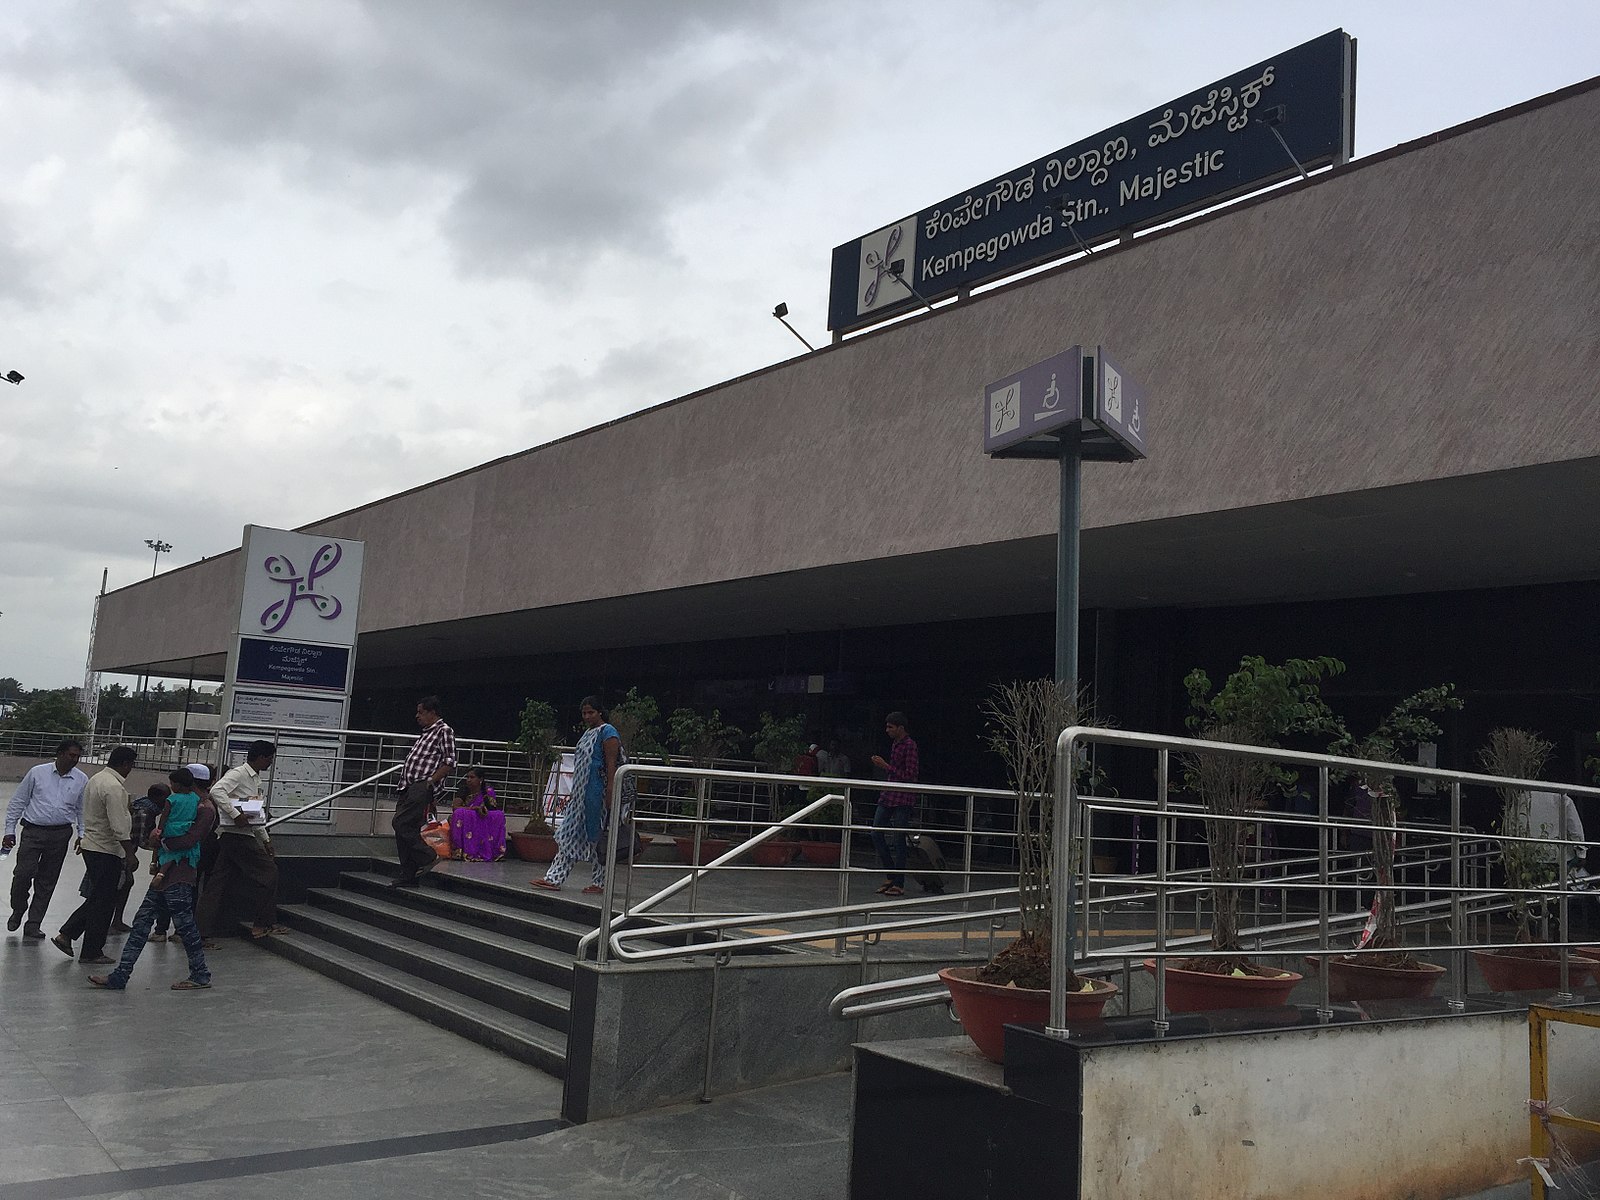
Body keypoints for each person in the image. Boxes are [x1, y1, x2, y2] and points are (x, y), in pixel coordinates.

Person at [90, 775, 216, 992]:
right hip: (169, 873)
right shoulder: (196, 806)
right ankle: (121, 975)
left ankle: (200, 973)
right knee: (144, 922)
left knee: (183, 925)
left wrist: (162, 841)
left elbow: (188, 840)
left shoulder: (204, 809)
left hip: (178, 873)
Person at [50, 747, 139, 964]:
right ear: (126, 764)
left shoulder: (98, 779)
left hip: (93, 846)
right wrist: (130, 853)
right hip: (106, 849)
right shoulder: (113, 787)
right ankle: (91, 951)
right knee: (103, 902)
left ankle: (67, 934)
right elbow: (118, 825)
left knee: (100, 897)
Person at [533, 697, 621, 895]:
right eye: (584, 713)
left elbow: (611, 764)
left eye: (591, 712)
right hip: (580, 794)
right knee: (569, 834)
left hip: (596, 793)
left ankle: (601, 882)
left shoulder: (608, 732)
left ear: (600, 712)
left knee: (598, 836)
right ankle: (554, 878)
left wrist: (610, 792)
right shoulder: (589, 732)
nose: (587, 716)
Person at [199, 744, 288, 939]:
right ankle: (262, 923)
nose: (271, 762)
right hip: (237, 836)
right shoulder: (239, 774)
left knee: (217, 884)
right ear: (260, 757)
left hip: (236, 835)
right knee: (269, 873)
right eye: (269, 758)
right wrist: (235, 814)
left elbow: (254, 814)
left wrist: (265, 839)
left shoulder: (254, 779)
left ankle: (200, 931)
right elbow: (217, 791)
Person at [5, 739, 89, 938]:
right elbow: (18, 801)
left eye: (77, 756)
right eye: (71, 755)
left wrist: (82, 834)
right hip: (33, 831)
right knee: (23, 874)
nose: (75, 759)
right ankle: (18, 908)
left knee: (47, 880)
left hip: (60, 834)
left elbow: (81, 809)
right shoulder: (37, 773)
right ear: (60, 754)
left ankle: (33, 923)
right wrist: (9, 830)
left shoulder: (81, 779)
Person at [392, 696, 457, 888]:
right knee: (405, 829)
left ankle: (428, 856)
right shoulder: (426, 733)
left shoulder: (444, 731)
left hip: (421, 786)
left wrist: (430, 782)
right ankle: (408, 874)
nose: (417, 716)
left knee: (401, 823)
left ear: (432, 712)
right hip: (408, 785)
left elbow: (450, 761)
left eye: (421, 712)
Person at [869, 711, 920, 896]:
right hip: (889, 795)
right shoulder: (895, 744)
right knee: (876, 832)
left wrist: (886, 767)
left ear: (900, 728)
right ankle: (892, 874)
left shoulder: (910, 746)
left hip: (903, 798)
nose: (887, 730)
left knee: (899, 839)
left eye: (891, 727)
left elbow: (910, 775)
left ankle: (898, 882)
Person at [116, 784, 172, 940]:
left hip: (124, 851)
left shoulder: (145, 807)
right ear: (157, 797)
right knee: (123, 884)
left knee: (123, 884)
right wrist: (162, 844)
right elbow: (141, 840)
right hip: (124, 852)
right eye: (165, 798)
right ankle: (115, 921)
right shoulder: (145, 812)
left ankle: (115, 920)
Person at [149, 768, 202, 890]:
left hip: (171, 828)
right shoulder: (195, 798)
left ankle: (155, 866)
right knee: (177, 852)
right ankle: (162, 874)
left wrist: (160, 830)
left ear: (179, 785)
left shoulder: (172, 799)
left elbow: (164, 816)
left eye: (172, 783)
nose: (171, 786)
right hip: (185, 828)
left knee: (163, 849)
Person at [449, 766, 507, 862]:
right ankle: (460, 851)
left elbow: (491, 810)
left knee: (499, 815)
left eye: (472, 777)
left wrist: (481, 811)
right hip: (466, 819)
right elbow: (455, 808)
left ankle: (494, 851)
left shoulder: (487, 792)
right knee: (459, 813)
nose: (468, 780)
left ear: (480, 779)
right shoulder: (463, 790)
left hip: (483, 818)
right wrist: (474, 809)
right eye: (467, 777)